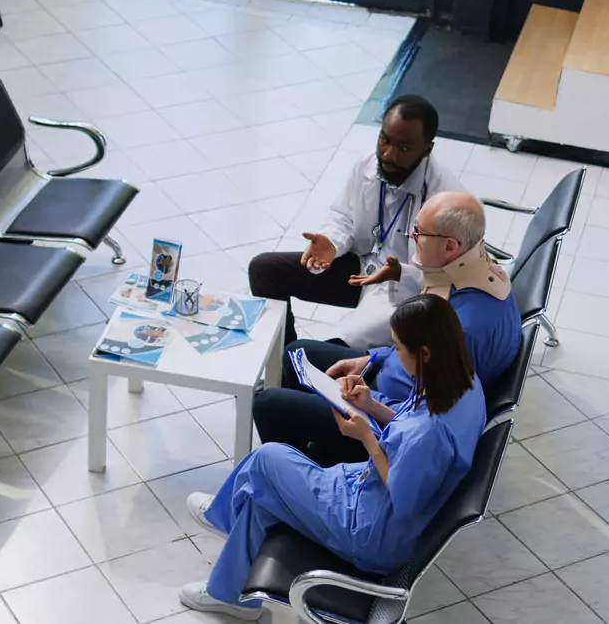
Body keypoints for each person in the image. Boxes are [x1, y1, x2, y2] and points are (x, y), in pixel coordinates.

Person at [178, 294, 486, 621]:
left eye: (398, 348)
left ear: (424, 352)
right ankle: (228, 590)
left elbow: (405, 498)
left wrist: (366, 436)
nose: (394, 355)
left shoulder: (432, 432)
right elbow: (408, 429)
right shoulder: (463, 384)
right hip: (369, 502)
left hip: (370, 533)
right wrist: (370, 406)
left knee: (266, 460)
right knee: (264, 489)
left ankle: (224, 520)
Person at [253, 190, 521, 467]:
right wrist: (371, 358)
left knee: (269, 404)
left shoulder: (462, 331)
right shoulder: (478, 273)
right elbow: (416, 354)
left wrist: (366, 403)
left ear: (450, 247)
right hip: (390, 384)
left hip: (386, 426)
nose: (412, 239)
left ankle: (300, 474)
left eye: (419, 233)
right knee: (295, 354)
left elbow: (422, 425)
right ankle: (309, 449)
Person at [248, 95, 463, 349]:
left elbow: (444, 278)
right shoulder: (367, 166)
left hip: (404, 291)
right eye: (384, 140)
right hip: (363, 268)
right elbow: (344, 216)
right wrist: (331, 242)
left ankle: (300, 374)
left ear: (427, 149)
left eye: (404, 148)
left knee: (332, 347)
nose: (388, 154)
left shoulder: (446, 201)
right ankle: (282, 366)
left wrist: (400, 273)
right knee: (264, 271)